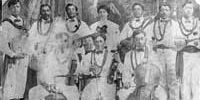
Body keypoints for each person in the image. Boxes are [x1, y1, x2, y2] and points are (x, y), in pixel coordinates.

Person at [28, 4, 79, 100]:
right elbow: (30, 41)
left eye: (48, 10)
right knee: (41, 85)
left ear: (50, 12)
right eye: (43, 10)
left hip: (55, 56)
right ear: (40, 12)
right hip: (42, 58)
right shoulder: (35, 25)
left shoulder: (56, 25)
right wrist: (36, 53)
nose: (46, 13)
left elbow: (65, 37)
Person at [144, 3, 180, 100]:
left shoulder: (176, 25)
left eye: (166, 10)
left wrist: (174, 46)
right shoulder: (153, 24)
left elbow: (181, 40)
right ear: (159, 12)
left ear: (170, 11)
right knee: (160, 79)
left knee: (173, 79)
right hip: (157, 53)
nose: (164, 12)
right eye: (162, 10)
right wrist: (152, 49)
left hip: (171, 53)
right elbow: (147, 40)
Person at [0, 0, 29, 100]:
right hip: (12, 57)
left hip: (23, 57)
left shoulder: (24, 22)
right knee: (10, 83)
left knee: (21, 83)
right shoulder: (6, 23)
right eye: (13, 7)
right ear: (9, 9)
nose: (15, 9)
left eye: (17, 7)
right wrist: (12, 54)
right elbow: (2, 43)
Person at [80, 31, 122, 100]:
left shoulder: (111, 56)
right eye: (96, 42)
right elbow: (83, 71)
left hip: (107, 84)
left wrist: (119, 60)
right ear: (94, 43)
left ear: (104, 43)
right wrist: (89, 69)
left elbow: (121, 69)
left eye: (100, 41)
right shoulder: (88, 56)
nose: (98, 44)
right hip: (93, 82)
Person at [175, 1, 200, 100]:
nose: (189, 10)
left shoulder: (198, 23)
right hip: (184, 54)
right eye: (187, 8)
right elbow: (175, 39)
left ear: (193, 10)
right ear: (183, 9)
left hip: (197, 55)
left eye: (191, 8)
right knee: (184, 82)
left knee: (196, 81)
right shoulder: (177, 24)